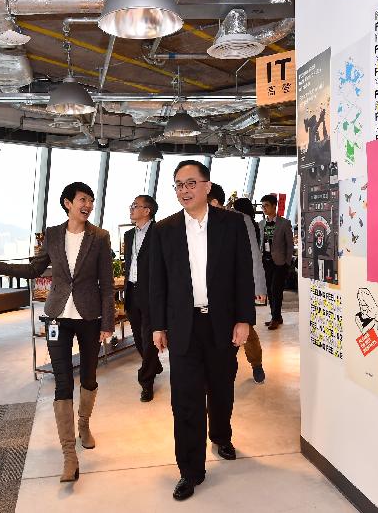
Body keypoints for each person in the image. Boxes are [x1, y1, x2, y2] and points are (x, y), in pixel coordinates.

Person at [0, 182, 114, 482]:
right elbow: (35, 269)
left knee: (89, 377)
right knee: (63, 383)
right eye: (82, 199)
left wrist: (108, 323)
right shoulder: (52, 234)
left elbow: (106, 282)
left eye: (91, 200)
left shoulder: (100, 237)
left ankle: (84, 424)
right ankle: (69, 455)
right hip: (56, 317)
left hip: (89, 316)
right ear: (68, 203)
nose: (88, 204)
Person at [150, 161, 255, 501]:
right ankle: (190, 470)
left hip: (221, 322)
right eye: (178, 185)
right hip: (183, 326)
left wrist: (244, 319)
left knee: (222, 386)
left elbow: (243, 273)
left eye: (191, 183)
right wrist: (158, 326)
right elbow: (158, 283)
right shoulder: (163, 229)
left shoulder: (232, 224)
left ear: (207, 186)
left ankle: (221, 435)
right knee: (186, 399)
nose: (184, 190)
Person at [208, 187, 268, 384]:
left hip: (236, 287)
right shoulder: (197, 221)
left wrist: (259, 286)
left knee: (246, 329)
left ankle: (256, 363)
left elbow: (253, 254)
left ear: (214, 202)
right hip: (210, 292)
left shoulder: (240, 220)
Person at [123, 194, 163, 402]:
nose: (131, 209)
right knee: (139, 338)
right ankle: (154, 365)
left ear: (147, 211)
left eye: (135, 205)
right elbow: (129, 263)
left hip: (152, 294)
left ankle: (146, 381)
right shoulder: (129, 235)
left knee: (148, 339)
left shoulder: (160, 232)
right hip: (132, 291)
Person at [259, 194, 294, 330]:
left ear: (274, 206)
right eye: (262, 206)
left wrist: (287, 262)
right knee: (269, 289)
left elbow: (290, 245)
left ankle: (275, 317)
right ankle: (276, 316)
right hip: (266, 261)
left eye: (266, 205)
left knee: (276, 289)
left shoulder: (284, 223)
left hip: (280, 263)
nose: (264, 208)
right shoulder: (261, 224)